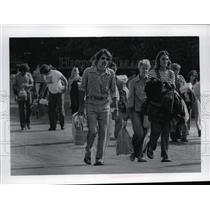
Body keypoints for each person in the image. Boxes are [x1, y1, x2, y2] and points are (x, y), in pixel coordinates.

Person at [78, 49, 118, 166]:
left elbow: (113, 91)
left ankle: (99, 158)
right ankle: (88, 150)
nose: (104, 61)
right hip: (91, 104)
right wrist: (81, 106)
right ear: (97, 60)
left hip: (105, 105)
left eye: (107, 59)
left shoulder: (111, 73)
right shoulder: (88, 72)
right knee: (93, 131)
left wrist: (115, 107)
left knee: (103, 132)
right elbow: (82, 89)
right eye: (102, 58)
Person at [146, 50, 175, 162]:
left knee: (166, 131)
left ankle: (165, 155)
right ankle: (151, 146)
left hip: (167, 105)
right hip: (155, 106)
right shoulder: (153, 71)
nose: (165, 61)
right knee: (156, 131)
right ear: (158, 60)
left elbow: (172, 87)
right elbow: (149, 87)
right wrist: (160, 85)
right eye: (163, 59)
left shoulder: (171, 73)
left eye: (167, 59)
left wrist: (161, 85)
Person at [127, 59, 151, 162]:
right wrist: (128, 112)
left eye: (146, 68)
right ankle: (136, 152)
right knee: (139, 133)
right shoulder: (133, 82)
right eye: (143, 67)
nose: (145, 70)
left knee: (144, 133)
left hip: (147, 111)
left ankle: (137, 154)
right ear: (139, 68)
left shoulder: (151, 81)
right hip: (135, 110)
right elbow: (130, 97)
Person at [40, 64, 68, 131]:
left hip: (59, 93)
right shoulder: (45, 75)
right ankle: (53, 126)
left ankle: (62, 125)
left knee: (60, 109)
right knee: (51, 110)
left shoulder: (56, 73)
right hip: (51, 94)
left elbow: (65, 80)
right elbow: (46, 85)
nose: (45, 75)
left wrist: (65, 89)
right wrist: (43, 94)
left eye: (45, 73)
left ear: (48, 71)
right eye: (44, 74)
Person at [170, 63, 188, 142]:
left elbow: (185, 86)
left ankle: (184, 136)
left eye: (178, 70)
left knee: (183, 117)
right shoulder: (170, 77)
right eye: (175, 69)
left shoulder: (181, 77)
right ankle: (174, 136)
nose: (177, 71)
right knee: (174, 119)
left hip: (181, 100)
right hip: (173, 100)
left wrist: (186, 88)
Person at [13, 64, 34, 130]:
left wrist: (27, 86)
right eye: (23, 71)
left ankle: (28, 123)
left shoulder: (29, 75)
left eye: (25, 71)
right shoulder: (16, 76)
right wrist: (17, 92)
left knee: (29, 109)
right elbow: (14, 86)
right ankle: (23, 125)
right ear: (20, 71)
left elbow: (32, 84)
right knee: (21, 110)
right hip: (20, 94)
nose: (24, 72)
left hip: (28, 93)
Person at [114, 74, 129, 139]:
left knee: (122, 123)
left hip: (124, 109)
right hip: (120, 109)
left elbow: (126, 100)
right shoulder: (121, 90)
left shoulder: (125, 90)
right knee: (119, 122)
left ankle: (119, 136)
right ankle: (117, 136)